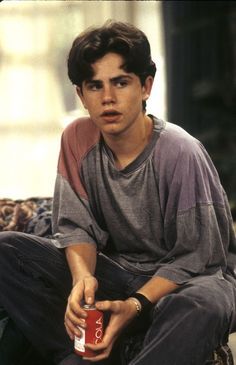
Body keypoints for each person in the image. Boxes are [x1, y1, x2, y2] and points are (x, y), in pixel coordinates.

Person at [0, 20, 236, 365]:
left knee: (205, 303)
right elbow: (76, 227)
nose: (108, 98)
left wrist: (137, 305)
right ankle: (83, 353)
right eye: (94, 86)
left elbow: (198, 258)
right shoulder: (76, 139)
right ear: (81, 95)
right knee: (8, 250)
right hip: (118, 275)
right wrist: (82, 282)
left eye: (120, 83)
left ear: (146, 87)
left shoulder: (181, 151)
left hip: (185, 284)